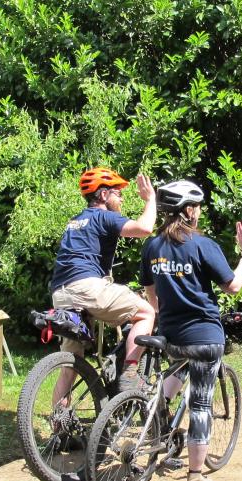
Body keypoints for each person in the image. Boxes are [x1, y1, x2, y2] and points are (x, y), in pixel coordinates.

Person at [141, 180, 242, 481]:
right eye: (198, 207)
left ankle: (154, 415)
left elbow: (151, 293)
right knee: (201, 403)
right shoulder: (203, 245)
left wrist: (164, 315)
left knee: (177, 369)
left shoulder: (152, 247)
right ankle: (195, 477)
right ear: (189, 211)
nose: (200, 212)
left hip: (171, 335)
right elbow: (232, 286)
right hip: (204, 336)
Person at [50, 167, 157, 393]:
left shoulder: (75, 221)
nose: (122, 197)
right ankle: (129, 373)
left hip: (60, 293)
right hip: (87, 288)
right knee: (147, 312)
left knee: (69, 365)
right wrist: (150, 199)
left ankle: (59, 424)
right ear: (103, 195)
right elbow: (145, 228)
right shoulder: (104, 216)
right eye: (117, 192)